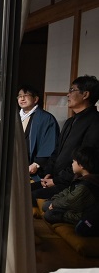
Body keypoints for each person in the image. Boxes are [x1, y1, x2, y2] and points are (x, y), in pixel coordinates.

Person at [31, 75, 99, 205]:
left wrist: (57, 180)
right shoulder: (70, 121)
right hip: (56, 178)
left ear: (85, 94)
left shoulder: (95, 121)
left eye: (72, 90)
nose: (68, 95)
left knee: (30, 197)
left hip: (73, 184)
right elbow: (57, 150)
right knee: (22, 190)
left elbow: (85, 160)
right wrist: (49, 173)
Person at [42, 146, 99, 225]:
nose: (72, 164)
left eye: (73, 161)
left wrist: (54, 204)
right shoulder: (79, 177)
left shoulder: (87, 184)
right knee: (46, 205)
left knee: (50, 214)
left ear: (81, 165)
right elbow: (67, 192)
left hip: (82, 215)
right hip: (73, 207)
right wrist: (54, 200)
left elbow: (70, 201)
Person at [17, 85, 59, 181]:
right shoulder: (14, 117)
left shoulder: (46, 118)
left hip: (33, 167)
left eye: (26, 95)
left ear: (35, 99)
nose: (22, 99)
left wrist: (37, 164)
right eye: (19, 96)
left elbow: (49, 143)